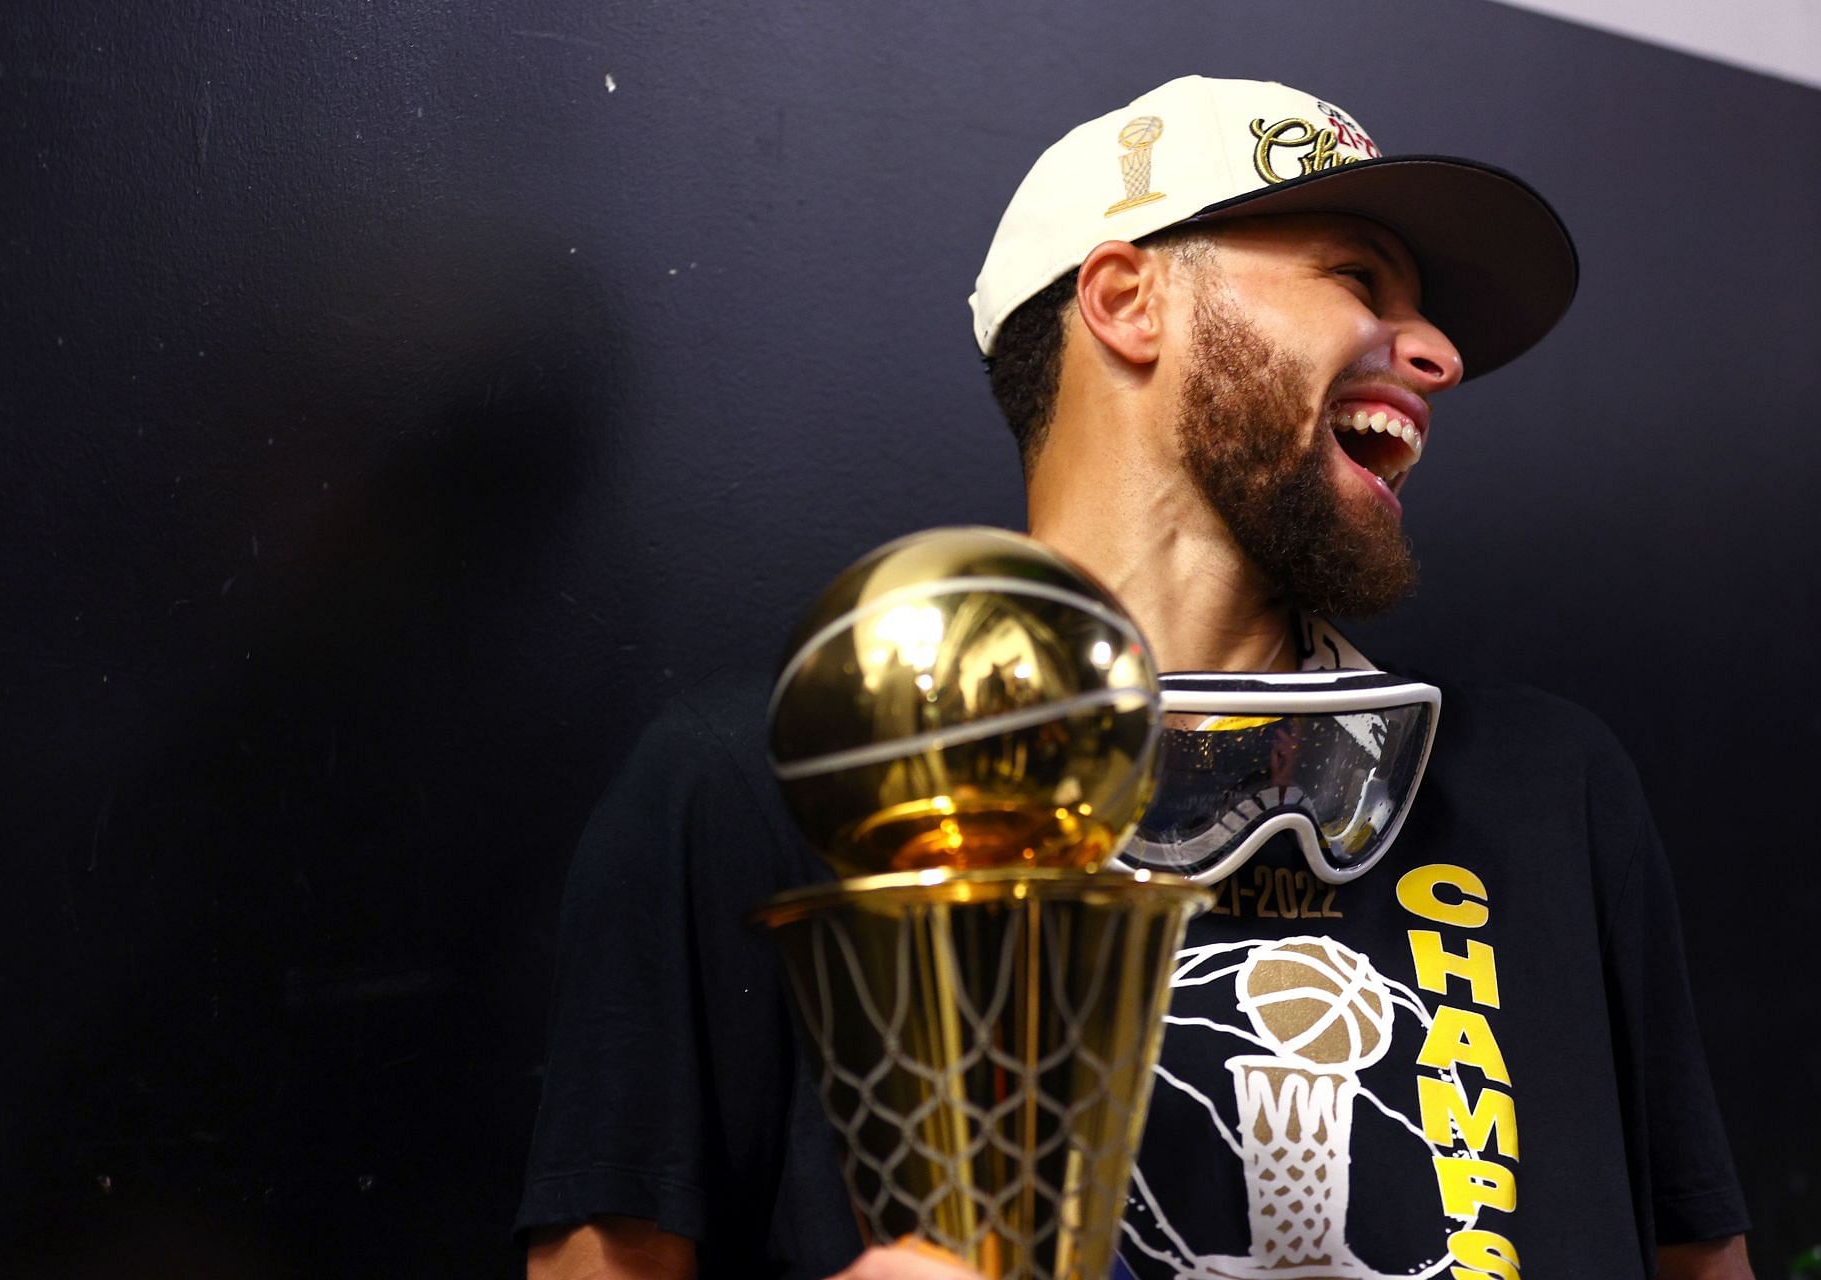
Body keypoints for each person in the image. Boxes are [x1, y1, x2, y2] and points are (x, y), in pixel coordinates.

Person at [518, 76, 1752, 1280]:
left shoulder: (1547, 787)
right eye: (1357, 278)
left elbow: (1698, 1255)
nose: (1436, 352)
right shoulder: (769, 783)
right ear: (1128, 299)